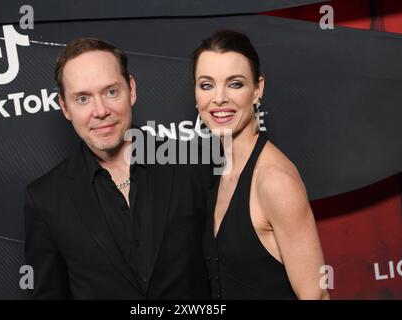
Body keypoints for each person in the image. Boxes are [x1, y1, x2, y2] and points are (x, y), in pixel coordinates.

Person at [24, 38, 212, 299]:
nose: (100, 111)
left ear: (131, 90)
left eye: (111, 92)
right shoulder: (45, 198)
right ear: (65, 107)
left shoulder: (192, 163)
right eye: (82, 99)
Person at [193, 30, 330, 300]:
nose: (219, 98)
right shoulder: (218, 173)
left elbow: (316, 295)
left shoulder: (274, 181)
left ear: (258, 89)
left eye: (235, 84)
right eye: (207, 85)